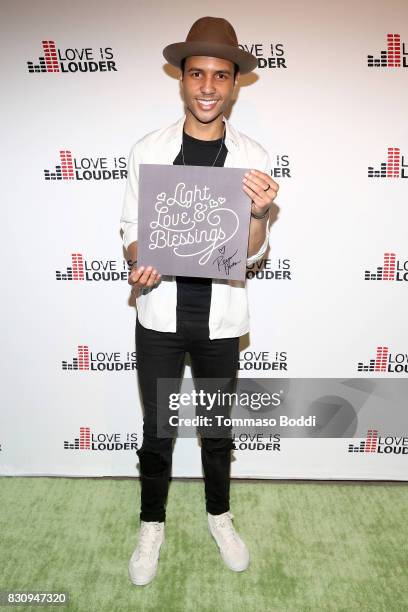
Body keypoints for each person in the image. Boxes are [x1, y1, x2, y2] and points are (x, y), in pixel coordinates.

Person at [120, 16, 279, 586]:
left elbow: (254, 253)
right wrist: (141, 255)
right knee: (158, 431)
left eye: (219, 75)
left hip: (220, 318)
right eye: (196, 74)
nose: (207, 87)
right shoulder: (148, 150)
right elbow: (131, 229)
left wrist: (258, 215)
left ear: (234, 84)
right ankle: (151, 523)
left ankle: (220, 515)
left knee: (217, 430)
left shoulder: (253, 154)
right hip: (159, 313)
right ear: (182, 81)